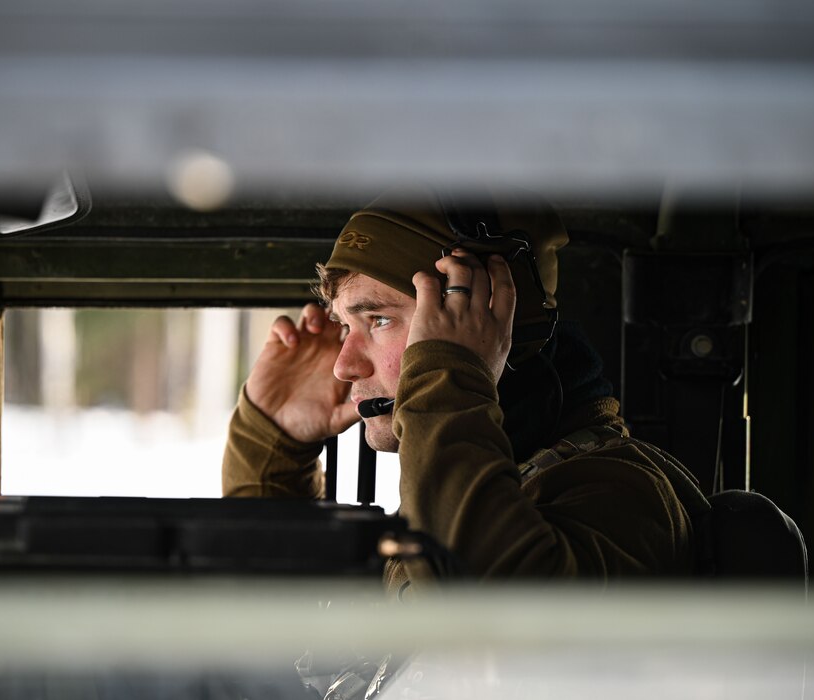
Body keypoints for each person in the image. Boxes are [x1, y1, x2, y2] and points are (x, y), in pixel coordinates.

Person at [222, 186, 700, 593]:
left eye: (379, 319)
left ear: (491, 318)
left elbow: (477, 625)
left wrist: (448, 375)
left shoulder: (621, 497)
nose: (343, 366)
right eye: (345, 326)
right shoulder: (469, 486)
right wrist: (275, 451)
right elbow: (309, 641)